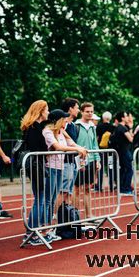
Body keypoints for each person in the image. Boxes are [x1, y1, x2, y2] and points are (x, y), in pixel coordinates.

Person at [42, 109, 88, 240]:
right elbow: (58, 147)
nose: (67, 121)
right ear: (58, 120)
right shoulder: (47, 131)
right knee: (49, 199)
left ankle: (48, 227)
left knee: (54, 197)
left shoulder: (61, 131)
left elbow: (71, 142)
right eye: (64, 119)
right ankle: (45, 227)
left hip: (59, 167)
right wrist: (77, 149)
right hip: (50, 168)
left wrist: (82, 148)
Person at [20, 100, 54, 246]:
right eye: (47, 110)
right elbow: (37, 149)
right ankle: (31, 233)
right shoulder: (34, 127)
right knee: (39, 199)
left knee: (39, 197)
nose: (48, 112)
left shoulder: (32, 127)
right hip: (36, 166)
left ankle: (32, 232)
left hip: (36, 165)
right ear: (40, 111)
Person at [74, 102, 101, 220]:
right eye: (87, 111)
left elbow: (95, 145)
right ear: (82, 112)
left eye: (91, 111)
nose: (90, 114)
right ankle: (74, 216)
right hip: (77, 161)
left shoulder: (92, 126)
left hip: (90, 161)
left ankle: (88, 215)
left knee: (87, 188)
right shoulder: (76, 125)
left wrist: (97, 160)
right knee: (76, 189)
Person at [58, 97, 80, 207]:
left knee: (69, 191)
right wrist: (76, 147)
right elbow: (59, 132)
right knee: (63, 190)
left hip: (73, 160)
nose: (78, 110)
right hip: (64, 161)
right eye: (77, 108)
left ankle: (66, 214)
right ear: (70, 109)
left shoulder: (73, 125)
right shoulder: (63, 122)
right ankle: (55, 215)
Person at [109, 111, 134, 195]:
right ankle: (126, 188)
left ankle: (122, 188)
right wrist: (130, 128)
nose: (128, 118)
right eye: (126, 116)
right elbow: (131, 139)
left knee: (124, 170)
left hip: (121, 151)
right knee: (128, 170)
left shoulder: (118, 127)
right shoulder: (122, 128)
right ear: (122, 118)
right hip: (124, 152)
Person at [95, 111, 116, 191]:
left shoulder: (99, 126)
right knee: (110, 168)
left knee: (101, 168)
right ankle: (111, 186)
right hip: (110, 152)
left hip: (101, 151)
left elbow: (97, 138)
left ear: (103, 118)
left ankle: (99, 186)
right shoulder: (112, 127)